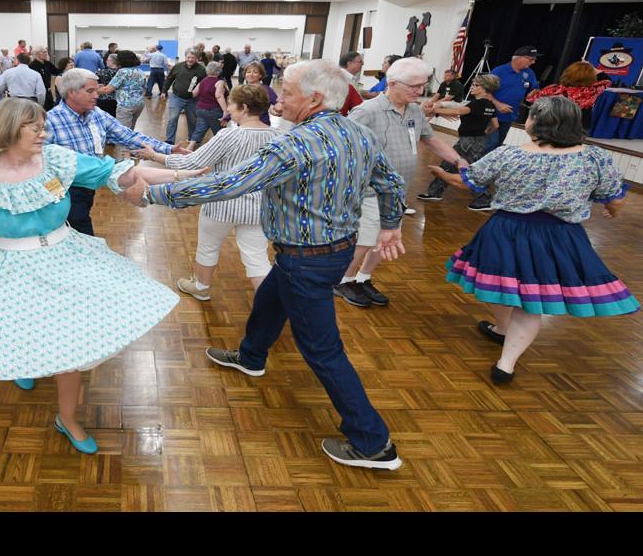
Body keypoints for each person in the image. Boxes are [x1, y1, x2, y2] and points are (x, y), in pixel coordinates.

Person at [135, 59, 407, 471]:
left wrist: (152, 197)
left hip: (307, 259)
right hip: (328, 253)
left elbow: (229, 184)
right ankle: (251, 356)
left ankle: (373, 442)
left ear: (314, 99)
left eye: (290, 91)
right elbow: (390, 183)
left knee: (323, 350)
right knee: (269, 300)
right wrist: (390, 225)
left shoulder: (293, 144)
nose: (280, 97)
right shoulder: (361, 133)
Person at [0, 99, 186, 454]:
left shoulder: (54, 159)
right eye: (34, 127)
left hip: (65, 256)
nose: (43, 133)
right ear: (7, 129)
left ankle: (66, 418)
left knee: (68, 347)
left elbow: (108, 172)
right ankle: (25, 363)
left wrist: (163, 174)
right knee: (24, 333)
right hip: (11, 267)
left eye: (43, 126)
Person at [429, 96, 637, 385]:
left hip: (507, 230)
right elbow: (615, 199)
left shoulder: (508, 155)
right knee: (530, 300)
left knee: (501, 284)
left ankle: (505, 345)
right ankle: (505, 354)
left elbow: (466, 182)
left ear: (535, 122)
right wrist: (610, 211)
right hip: (560, 235)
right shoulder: (594, 157)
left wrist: (442, 173)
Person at [337, 57, 467, 309]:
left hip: (398, 190)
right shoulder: (367, 111)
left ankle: (363, 278)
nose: (420, 91)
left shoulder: (415, 111)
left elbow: (430, 140)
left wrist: (459, 160)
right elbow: (343, 147)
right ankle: (344, 280)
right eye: (414, 86)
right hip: (370, 192)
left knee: (384, 239)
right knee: (365, 240)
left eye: (423, 85)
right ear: (392, 83)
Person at [167, 83, 280, 302]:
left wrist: (156, 156)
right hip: (259, 207)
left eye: (231, 105)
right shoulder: (278, 136)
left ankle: (201, 287)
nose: (227, 109)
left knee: (208, 247)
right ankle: (270, 306)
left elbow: (193, 163)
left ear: (244, 108)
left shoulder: (228, 135)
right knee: (257, 256)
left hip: (221, 204)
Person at [45, 67, 175, 236]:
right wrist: (57, 196)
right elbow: (38, 166)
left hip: (88, 188)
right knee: (81, 233)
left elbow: (127, 136)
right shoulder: (51, 121)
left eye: (96, 90)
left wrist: (169, 149)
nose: (97, 95)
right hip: (67, 190)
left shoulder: (96, 114)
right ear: (71, 93)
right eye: (90, 91)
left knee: (75, 231)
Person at [418, 72, 497, 204]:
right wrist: (483, 133)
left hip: (469, 142)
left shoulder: (476, 104)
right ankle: (434, 193)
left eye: (475, 85)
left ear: (484, 88)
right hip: (476, 140)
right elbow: (495, 125)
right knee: (449, 165)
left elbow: (459, 111)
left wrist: (434, 111)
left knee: (469, 170)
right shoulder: (490, 105)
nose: (472, 87)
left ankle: (483, 200)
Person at [486, 46, 541, 155]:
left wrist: (533, 94)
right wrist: (498, 104)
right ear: (519, 58)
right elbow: (484, 92)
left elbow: (534, 89)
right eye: (531, 59)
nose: (533, 62)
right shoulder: (499, 71)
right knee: (490, 143)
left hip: (509, 116)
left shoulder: (529, 73)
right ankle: (474, 167)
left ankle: (487, 168)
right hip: (492, 115)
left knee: (497, 145)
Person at [532, 59, 611, 129]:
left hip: (553, 123)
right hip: (578, 126)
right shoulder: (591, 91)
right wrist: (590, 67)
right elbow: (607, 79)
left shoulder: (554, 89)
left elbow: (532, 98)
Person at [161, 49, 207, 144]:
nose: (190, 59)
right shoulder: (178, 66)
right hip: (176, 97)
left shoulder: (201, 70)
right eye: (188, 57)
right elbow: (169, 79)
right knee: (172, 119)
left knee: (193, 120)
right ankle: (170, 140)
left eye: (193, 58)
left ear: (197, 59)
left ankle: (192, 139)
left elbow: (204, 84)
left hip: (193, 99)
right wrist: (164, 91)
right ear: (185, 57)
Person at [108, 49, 150, 131]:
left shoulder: (122, 72)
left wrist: (94, 90)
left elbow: (108, 89)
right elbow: (145, 87)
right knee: (130, 130)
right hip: (139, 104)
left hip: (126, 105)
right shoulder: (140, 71)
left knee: (123, 132)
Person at [189, 60, 229, 145]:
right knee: (219, 132)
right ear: (219, 70)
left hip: (200, 109)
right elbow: (218, 96)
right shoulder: (220, 82)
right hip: (214, 110)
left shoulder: (203, 81)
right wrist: (225, 111)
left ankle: (189, 148)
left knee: (199, 129)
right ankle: (219, 150)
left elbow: (194, 94)